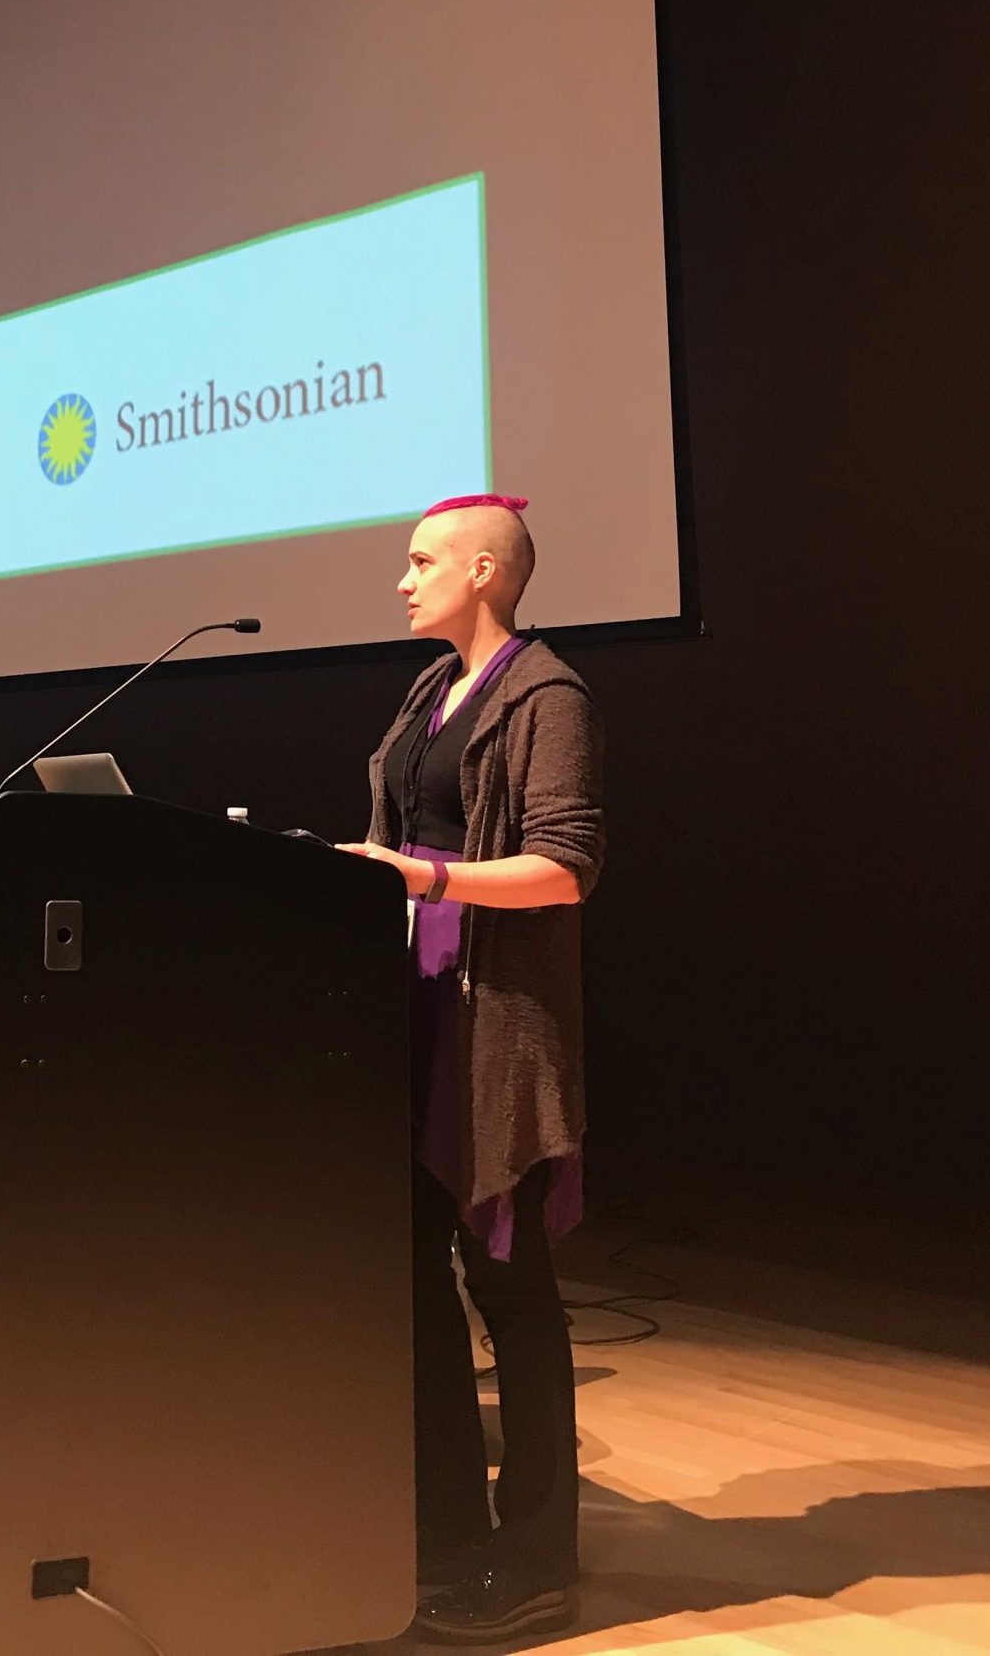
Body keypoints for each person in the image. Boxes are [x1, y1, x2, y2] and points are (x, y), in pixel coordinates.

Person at [338, 493, 603, 1646]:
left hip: (495, 1030)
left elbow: (565, 865)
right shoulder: (427, 694)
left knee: (511, 1292)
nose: (401, 579)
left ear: (486, 570)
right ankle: (442, 1535)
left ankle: (537, 1559)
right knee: (401, 1277)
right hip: (413, 1012)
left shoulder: (550, 695)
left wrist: (422, 878)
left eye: (420, 560)